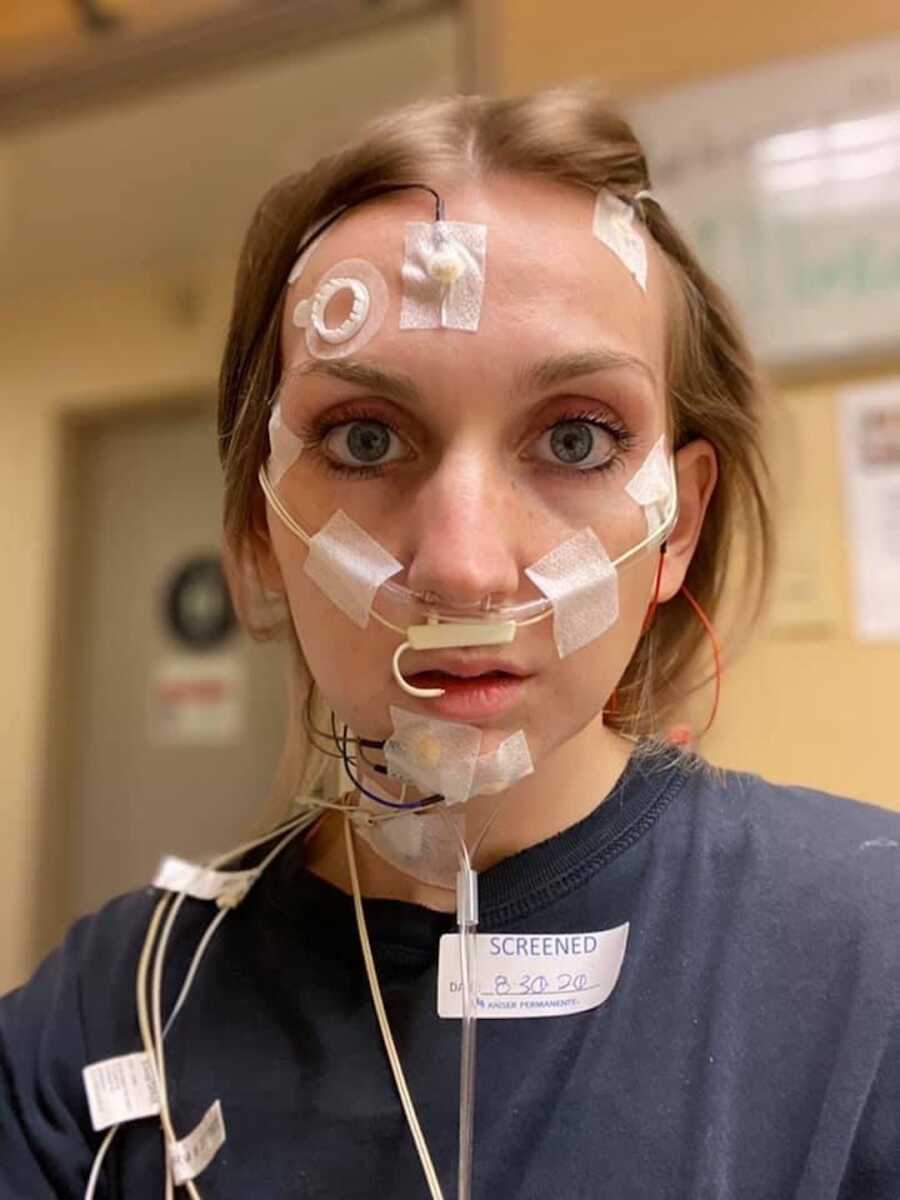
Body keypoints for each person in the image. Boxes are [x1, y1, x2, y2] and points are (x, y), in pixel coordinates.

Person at [2, 86, 899, 1200]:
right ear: (257, 532)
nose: (464, 566)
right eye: (365, 438)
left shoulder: (875, 957)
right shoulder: (106, 1014)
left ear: (681, 522)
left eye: (576, 437)